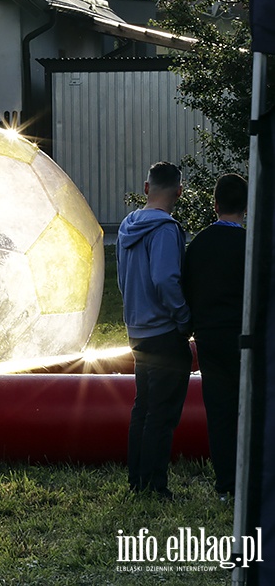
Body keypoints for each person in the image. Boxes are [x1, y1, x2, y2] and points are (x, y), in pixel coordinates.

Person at [117, 161, 193, 499]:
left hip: (137, 329)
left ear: (146, 188)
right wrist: (183, 317)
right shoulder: (165, 230)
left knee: (143, 407)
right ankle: (155, 486)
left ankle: (137, 480)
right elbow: (165, 278)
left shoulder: (126, 226)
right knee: (162, 414)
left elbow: (122, 279)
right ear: (179, 191)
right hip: (164, 330)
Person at [183, 173, 248, 500]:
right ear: (246, 207)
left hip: (209, 338)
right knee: (248, 410)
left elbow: (187, 290)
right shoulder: (249, 245)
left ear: (215, 204)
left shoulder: (198, 245)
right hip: (245, 340)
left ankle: (225, 485)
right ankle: (250, 481)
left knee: (219, 412)